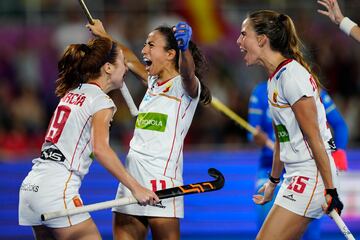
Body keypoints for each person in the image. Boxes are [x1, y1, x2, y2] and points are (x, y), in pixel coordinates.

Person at [18, 35, 159, 239]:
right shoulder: (102, 101)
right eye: (122, 63)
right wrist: (136, 188)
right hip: (57, 190)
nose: (126, 68)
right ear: (108, 68)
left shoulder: (71, 92)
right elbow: (101, 150)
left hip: (31, 188)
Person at [87, 20, 211, 240]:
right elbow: (126, 55)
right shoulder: (153, 81)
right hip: (130, 179)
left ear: (171, 54)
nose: (144, 49)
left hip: (162, 184)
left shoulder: (185, 87)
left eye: (151, 45)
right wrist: (104, 35)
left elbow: (188, 73)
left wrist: (185, 49)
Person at [237, 10, 344, 239]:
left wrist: (331, 190)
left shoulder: (292, 76)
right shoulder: (273, 80)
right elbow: (280, 139)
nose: (239, 41)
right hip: (293, 176)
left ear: (262, 39)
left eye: (244, 34)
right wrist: (272, 183)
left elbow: (315, 138)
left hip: (311, 176)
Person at [247, 81, 349, 239]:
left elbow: (339, 126)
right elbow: (253, 132)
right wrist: (257, 137)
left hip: (308, 169)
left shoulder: (314, 91)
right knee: (265, 222)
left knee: (310, 232)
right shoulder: (262, 92)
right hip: (271, 166)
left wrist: (338, 151)